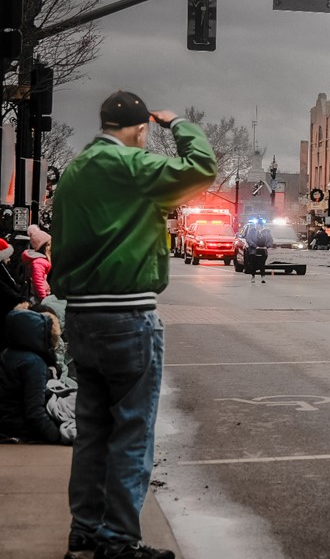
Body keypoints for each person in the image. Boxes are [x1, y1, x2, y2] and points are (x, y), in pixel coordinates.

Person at [52, 91, 216, 559]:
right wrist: (179, 123)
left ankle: (83, 532)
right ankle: (118, 541)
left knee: (92, 431)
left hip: (82, 316)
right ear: (141, 130)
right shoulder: (135, 168)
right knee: (132, 431)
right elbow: (202, 168)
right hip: (128, 314)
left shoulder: (75, 173)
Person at [0, 309, 71, 445]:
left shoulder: (6, 354)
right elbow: (35, 412)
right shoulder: (33, 363)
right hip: (22, 426)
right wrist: (57, 437)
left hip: (7, 422)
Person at [0, 238, 29, 317]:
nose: (9, 259)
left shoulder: (4, 267)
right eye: (7, 256)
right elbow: (5, 288)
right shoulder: (2, 268)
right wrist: (20, 299)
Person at [23, 223, 52, 303]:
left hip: (40, 295)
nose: (51, 247)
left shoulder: (39, 260)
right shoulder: (39, 262)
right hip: (38, 298)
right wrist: (43, 299)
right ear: (43, 247)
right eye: (49, 245)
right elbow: (37, 282)